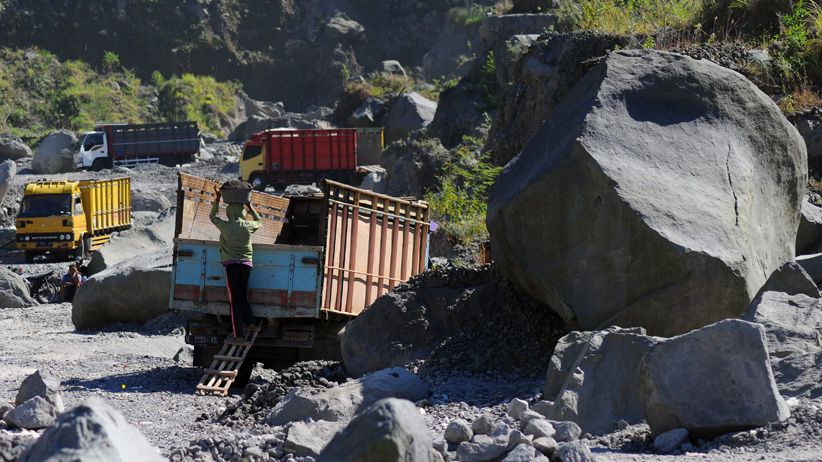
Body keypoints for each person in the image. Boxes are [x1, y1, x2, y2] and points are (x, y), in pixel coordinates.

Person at [210, 186, 262, 337]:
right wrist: (250, 205)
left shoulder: (225, 226)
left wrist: (218, 199)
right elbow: (259, 221)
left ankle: (238, 334)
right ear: (243, 212)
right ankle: (250, 322)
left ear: (229, 212)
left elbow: (213, 217)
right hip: (247, 265)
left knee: (234, 301)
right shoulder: (248, 226)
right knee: (243, 296)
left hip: (231, 266)